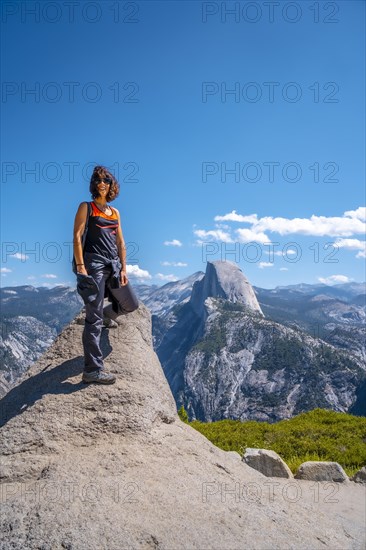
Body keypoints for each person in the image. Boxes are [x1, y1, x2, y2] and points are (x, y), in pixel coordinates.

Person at [73, 165, 139, 385]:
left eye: (107, 180)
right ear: (94, 184)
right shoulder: (87, 207)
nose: (102, 183)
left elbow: (120, 242)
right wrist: (81, 266)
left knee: (130, 304)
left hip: (113, 265)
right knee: (93, 319)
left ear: (112, 185)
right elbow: (77, 235)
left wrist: (124, 268)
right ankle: (92, 369)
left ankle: (107, 315)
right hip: (94, 265)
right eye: (99, 180)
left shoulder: (115, 212)